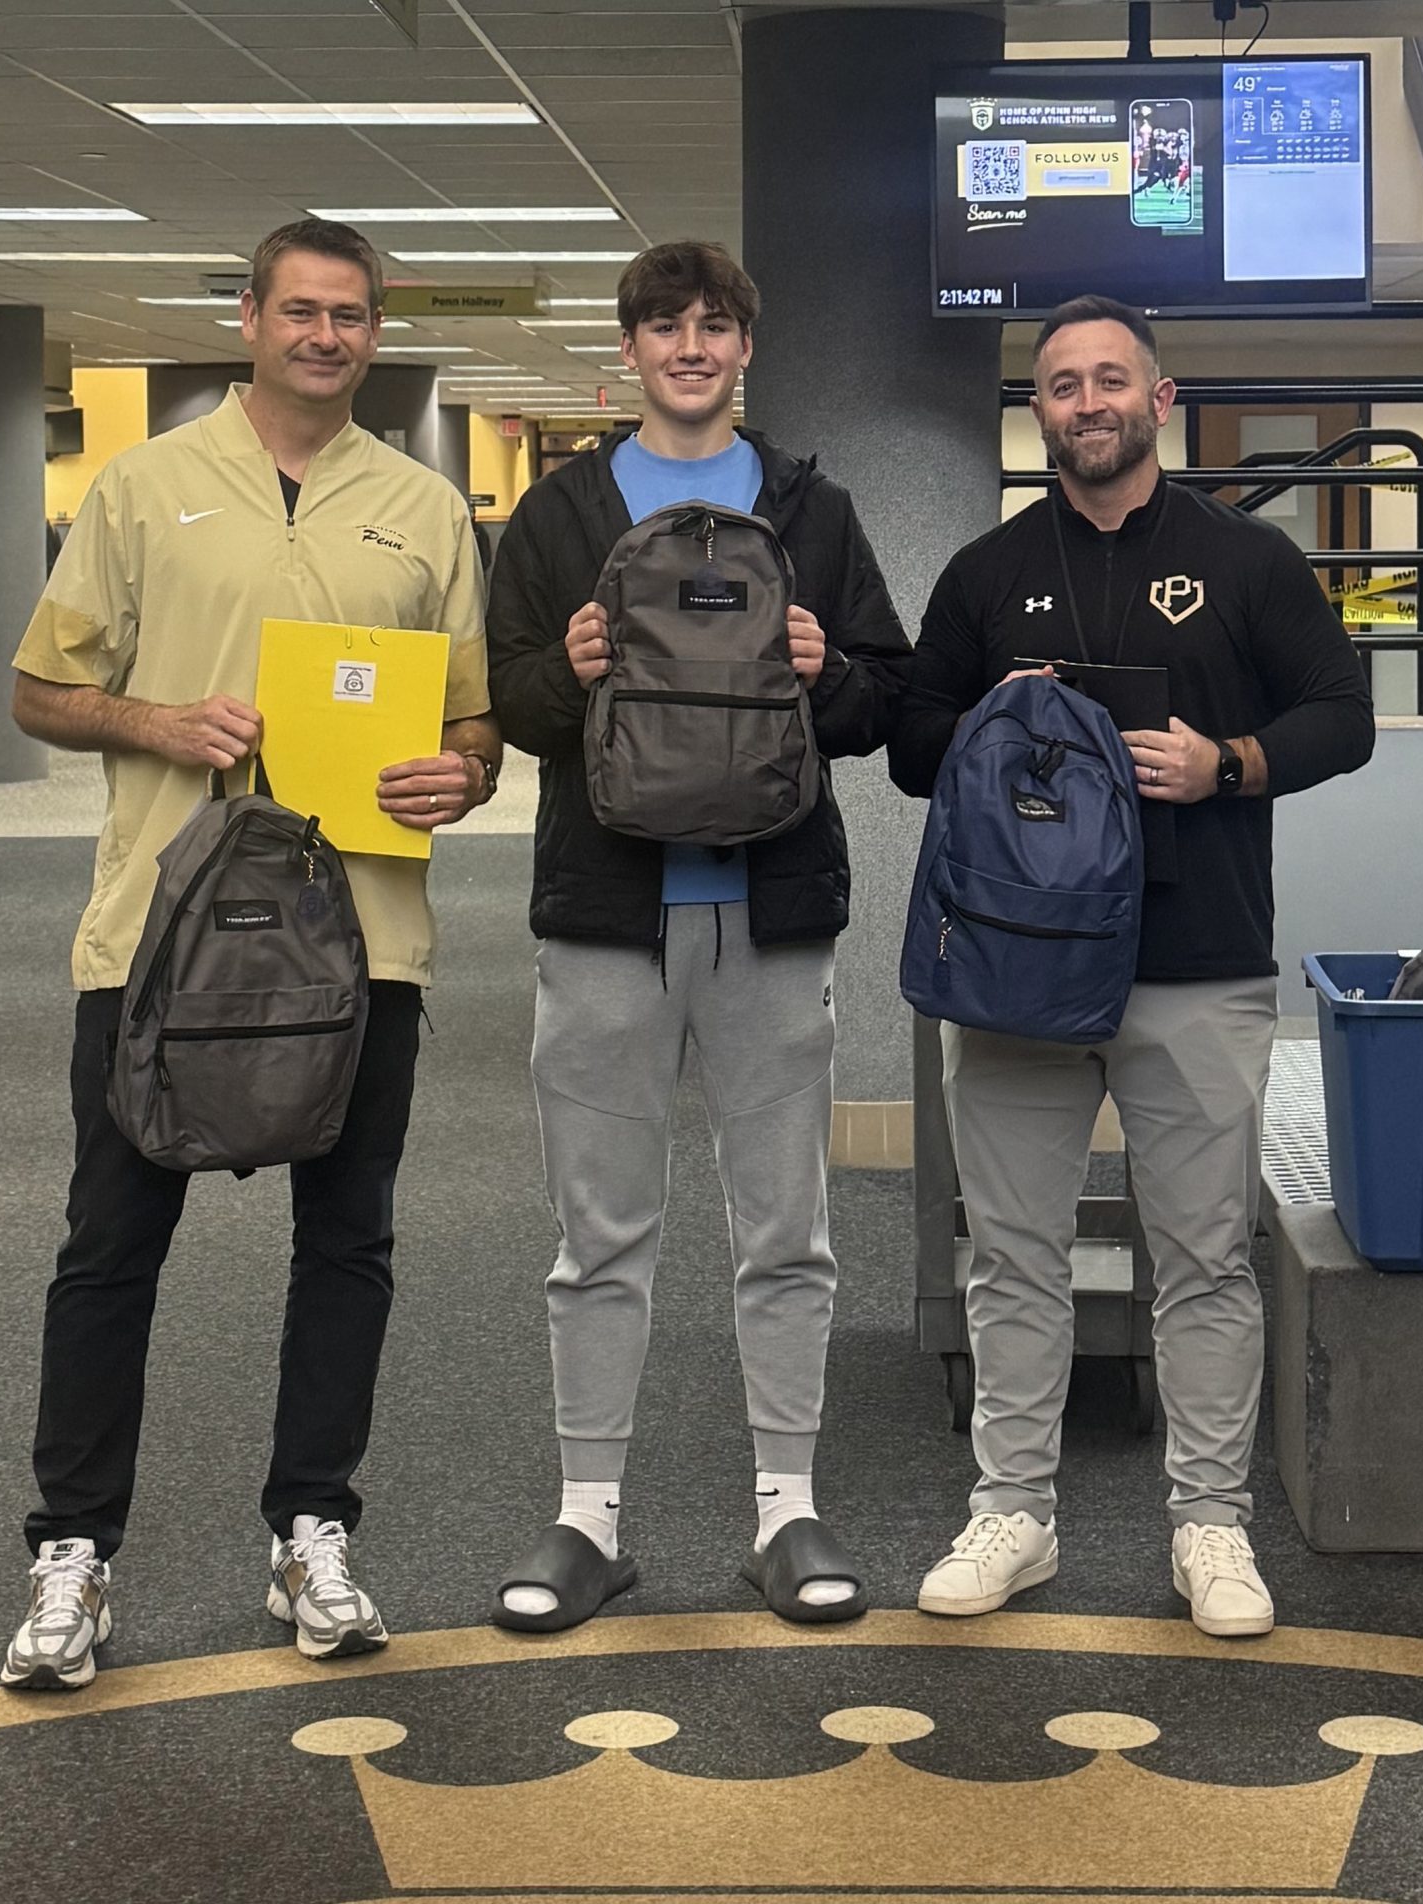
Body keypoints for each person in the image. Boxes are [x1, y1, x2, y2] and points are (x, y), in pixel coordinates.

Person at [0, 218, 500, 1691]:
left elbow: (469, 725)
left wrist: (459, 777)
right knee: (111, 1249)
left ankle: (312, 1531)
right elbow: (37, 689)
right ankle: (73, 1554)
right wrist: (158, 721)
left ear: (374, 331)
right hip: (160, 943)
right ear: (250, 318)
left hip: (365, 945)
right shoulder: (145, 489)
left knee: (347, 1246)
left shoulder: (422, 508)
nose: (326, 336)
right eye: (302, 311)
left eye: (351, 316)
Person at [890, 294, 1374, 1638]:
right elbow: (912, 743)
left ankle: (1211, 1527)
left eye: (1112, 380)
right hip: (1018, 975)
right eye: (1060, 385)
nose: (1086, 402)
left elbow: (1345, 716)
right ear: (1037, 410)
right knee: (1014, 1255)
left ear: (1160, 399)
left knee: (1205, 1258)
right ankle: (1014, 1512)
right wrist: (997, 721)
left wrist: (1228, 764)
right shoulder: (986, 575)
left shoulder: (1248, 561)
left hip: (1198, 960)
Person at [484, 241, 911, 1632]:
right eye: (664, 327)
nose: (689, 347)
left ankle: (787, 1512)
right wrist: (575, 670)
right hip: (606, 919)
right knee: (599, 1235)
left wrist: (823, 669)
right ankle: (585, 1522)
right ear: (630, 351)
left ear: (745, 350)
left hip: (770, 915)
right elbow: (512, 706)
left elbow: (879, 707)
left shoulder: (811, 508)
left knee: (785, 1233)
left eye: (714, 326)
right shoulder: (561, 512)